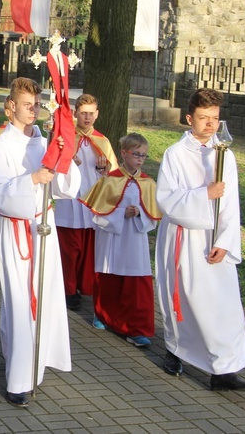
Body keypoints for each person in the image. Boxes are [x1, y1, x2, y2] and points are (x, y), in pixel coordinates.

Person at [0, 77, 81, 408]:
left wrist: (64, 160)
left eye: (37, 104)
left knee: (46, 295)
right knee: (21, 300)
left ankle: (37, 364)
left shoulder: (44, 143)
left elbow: (66, 189)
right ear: (10, 106)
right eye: (27, 104)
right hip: (17, 230)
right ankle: (18, 377)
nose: (33, 110)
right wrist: (32, 180)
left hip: (45, 226)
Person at [155, 88, 245, 391]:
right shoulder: (175, 154)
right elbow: (166, 200)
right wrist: (204, 194)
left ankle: (223, 370)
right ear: (190, 118)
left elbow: (232, 202)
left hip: (215, 238)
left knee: (223, 304)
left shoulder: (224, 153)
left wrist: (225, 241)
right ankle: (176, 351)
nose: (211, 124)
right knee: (185, 300)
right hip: (184, 237)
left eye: (215, 118)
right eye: (204, 118)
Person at [79, 133, 161, 347]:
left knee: (136, 283)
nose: (140, 159)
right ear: (124, 153)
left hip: (135, 240)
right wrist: (119, 215)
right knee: (109, 276)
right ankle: (104, 315)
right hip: (112, 240)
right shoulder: (109, 180)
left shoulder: (148, 183)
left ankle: (135, 328)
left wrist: (140, 214)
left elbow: (152, 216)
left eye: (144, 155)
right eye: (136, 154)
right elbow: (97, 214)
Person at [54, 94, 118, 313]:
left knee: (87, 249)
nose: (88, 117)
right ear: (75, 114)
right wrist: (67, 159)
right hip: (69, 201)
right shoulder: (66, 138)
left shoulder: (103, 141)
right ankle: (67, 289)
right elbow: (54, 164)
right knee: (69, 249)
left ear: (97, 114)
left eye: (91, 113)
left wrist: (103, 170)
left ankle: (83, 286)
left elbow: (113, 175)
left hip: (91, 200)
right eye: (83, 113)